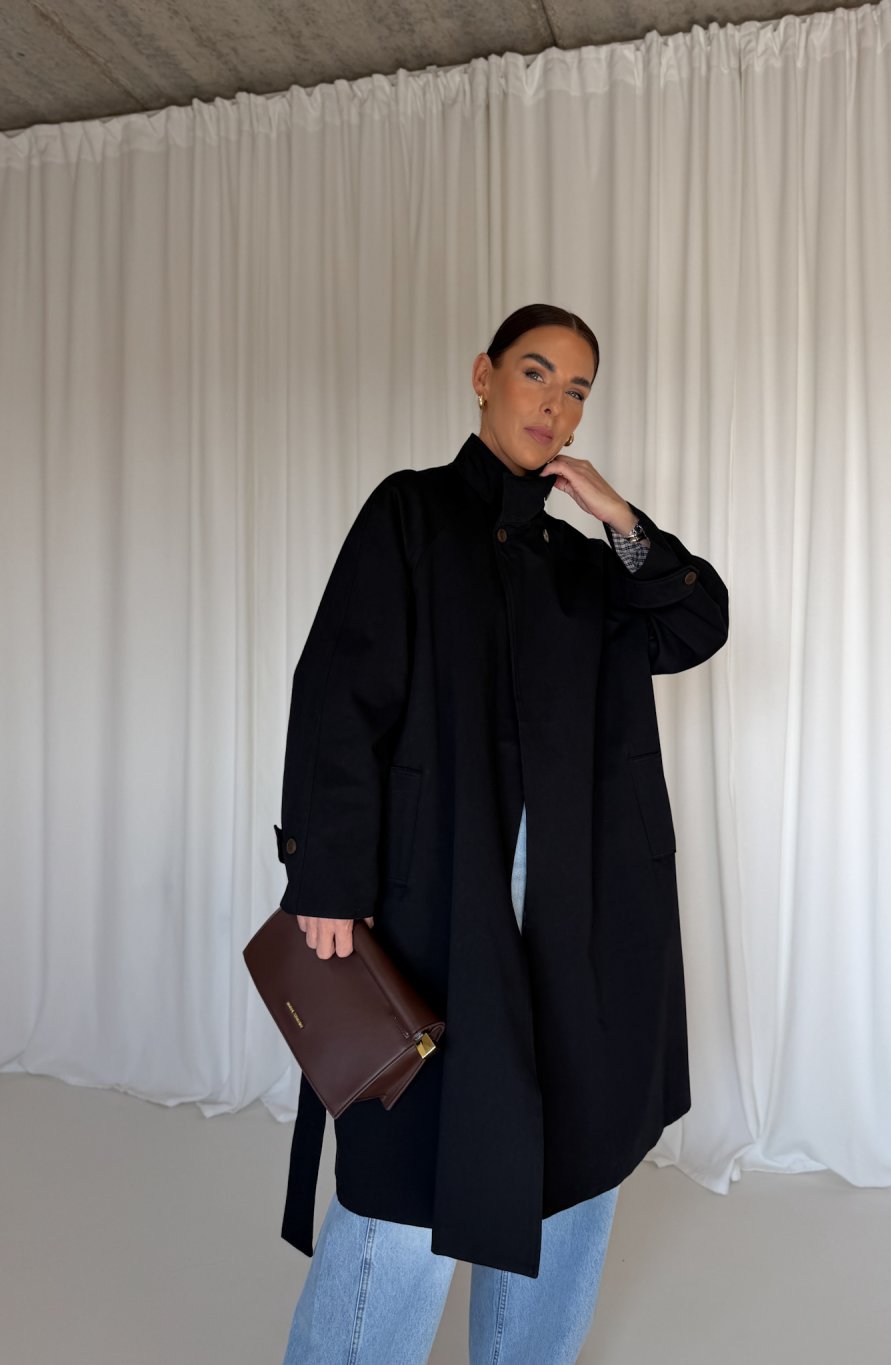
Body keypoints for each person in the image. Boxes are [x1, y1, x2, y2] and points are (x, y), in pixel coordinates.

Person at [273, 303, 729, 1363]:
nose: (554, 404)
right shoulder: (411, 515)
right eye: (536, 373)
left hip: (577, 923)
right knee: (405, 1181)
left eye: (577, 391)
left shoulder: (584, 565)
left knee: (571, 1161)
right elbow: (338, 694)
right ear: (482, 376)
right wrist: (326, 877)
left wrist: (617, 516)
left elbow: (693, 622)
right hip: (437, 910)